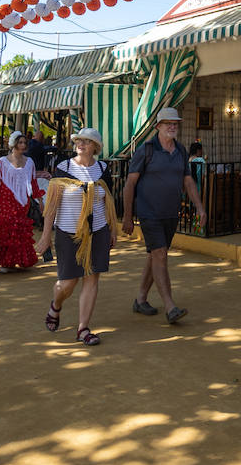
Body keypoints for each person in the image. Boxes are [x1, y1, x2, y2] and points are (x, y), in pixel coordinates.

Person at [122, 108, 206, 323]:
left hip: (170, 213)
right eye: (167, 123)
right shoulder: (146, 150)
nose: (172, 126)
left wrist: (199, 207)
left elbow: (188, 181)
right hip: (149, 212)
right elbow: (130, 183)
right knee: (160, 254)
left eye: (175, 123)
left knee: (154, 255)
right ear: (158, 126)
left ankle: (140, 299)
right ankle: (170, 306)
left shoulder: (180, 150)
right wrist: (128, 215)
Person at [39, 127, 116, 346]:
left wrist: (111, 230)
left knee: (91, 278)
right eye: (79, 140)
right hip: (68, 233)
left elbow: (107, 201)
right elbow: (51, 205)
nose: (81, 144)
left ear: (95, 147)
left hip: (97, 232)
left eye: (87, 141)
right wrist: (45, 237)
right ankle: (56, 305)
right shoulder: (63, 168)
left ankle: (83, 328)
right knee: (67, 284)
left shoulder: (103, 169)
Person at [0, 131, 42, 273]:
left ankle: (17, 260)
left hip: (23, 200)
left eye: (25, 142)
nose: (23, 145)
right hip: (5, 199)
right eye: (20, 142)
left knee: (19, 228)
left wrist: (40, 200)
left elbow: (33, 182)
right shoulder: (2, 162)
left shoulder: (29, 162)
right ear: (14, 144)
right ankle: (5, 262)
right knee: (7, 227)